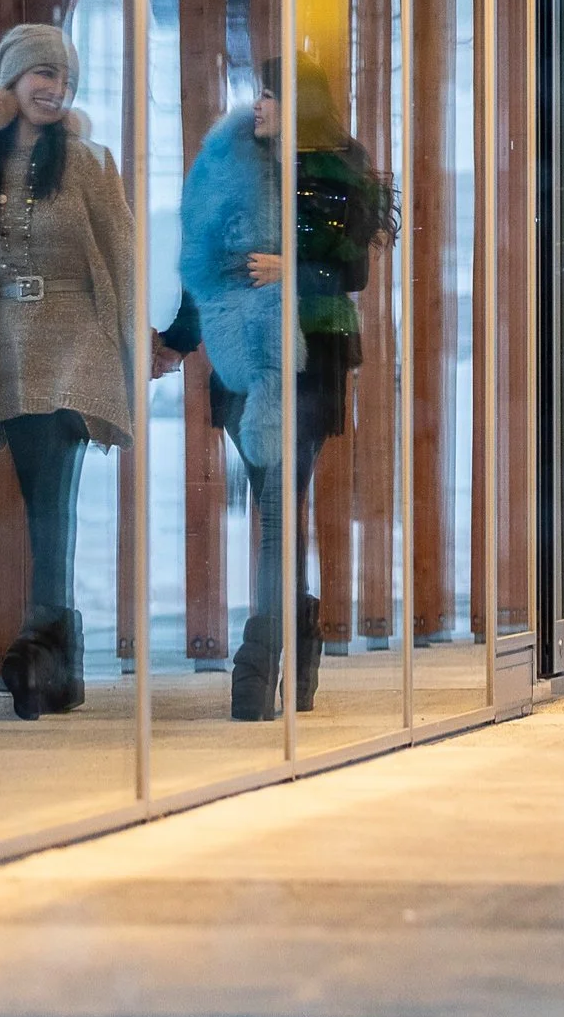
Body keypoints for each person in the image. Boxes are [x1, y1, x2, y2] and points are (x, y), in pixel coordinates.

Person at [161, 55, 393, 722]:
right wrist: (177, 341)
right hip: (240, 356)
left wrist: (297, 264)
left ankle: (260, 656)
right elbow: (204, 263)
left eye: (270, 95)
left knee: (275, 504)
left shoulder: (338, 169)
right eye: (257, 93)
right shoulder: (231, 165)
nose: (256, 106)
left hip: (312, 349)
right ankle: (298, 635)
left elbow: (354, 270)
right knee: (274, 504)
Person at [0, 22, 136, 721]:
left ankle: (39, 653)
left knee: (49, 500)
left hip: (75, 347)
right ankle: (56, 661)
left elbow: (124, 258)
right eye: (41, 74)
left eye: (63, 79)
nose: (53, 88)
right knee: (44, 504)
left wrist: (139, 346)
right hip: (7, 348)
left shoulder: (89, 162)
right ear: (8, 83)